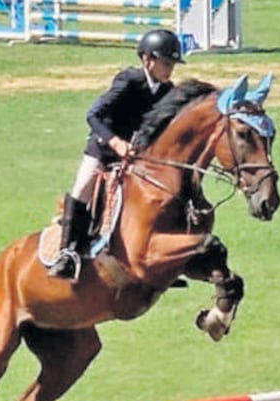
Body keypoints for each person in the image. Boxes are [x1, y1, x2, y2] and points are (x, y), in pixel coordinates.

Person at [48, 28, 186, 279]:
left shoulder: (169, 92)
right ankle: (67, 253)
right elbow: (93, 115)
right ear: (147, 59)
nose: (170, 70)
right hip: (103, 148)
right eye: (166, 63)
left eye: (173, 64)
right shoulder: (129, 81)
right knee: (82, 189)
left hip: (136, 156)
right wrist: (116, 143)